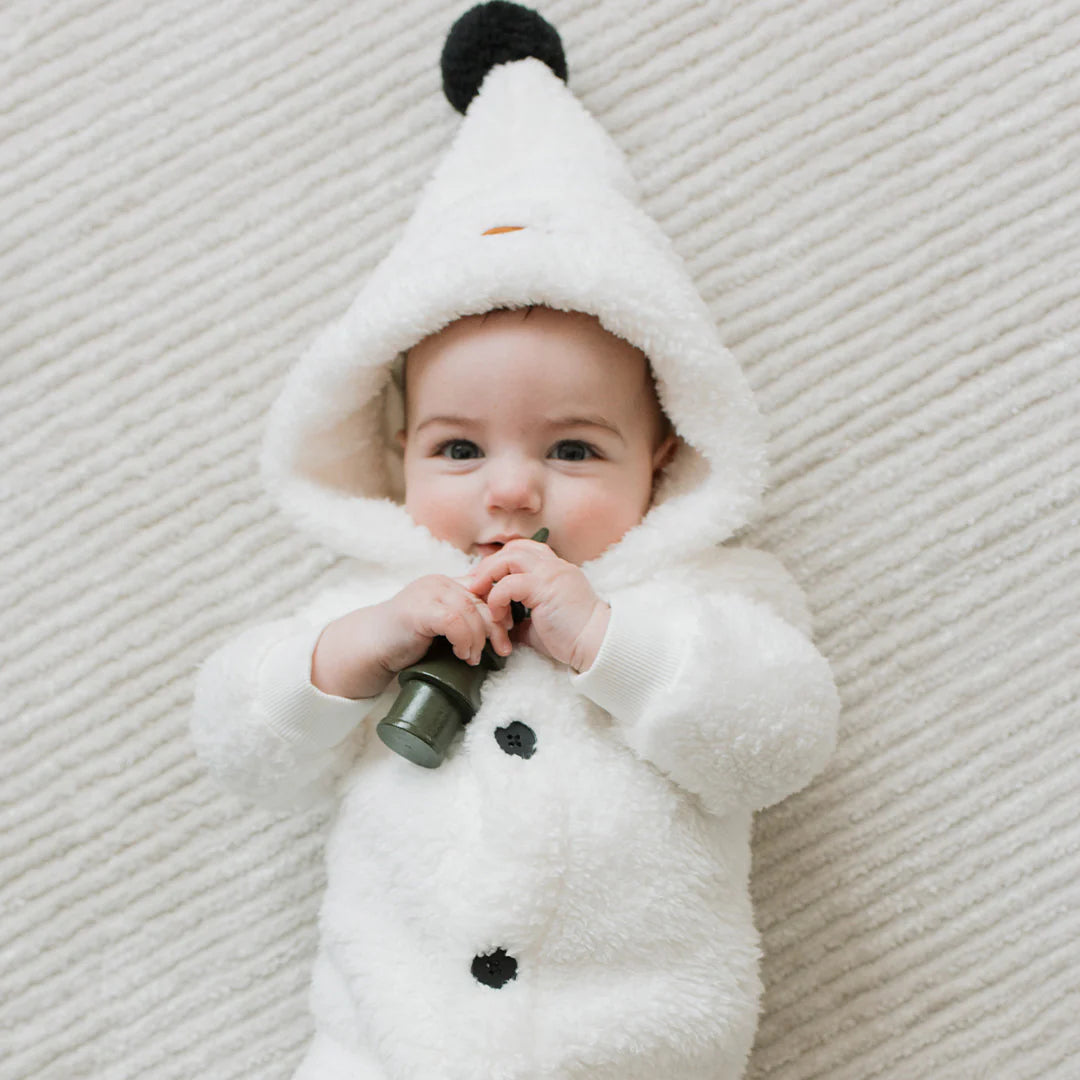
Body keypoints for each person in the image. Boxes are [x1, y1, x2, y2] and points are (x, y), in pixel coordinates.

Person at [191, 5, 840, 1079]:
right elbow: (241, 745)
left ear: (663, 454)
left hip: (637, 1054)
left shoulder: (705, 597)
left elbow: (781, 742)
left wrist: (608, 643)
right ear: (396, 452)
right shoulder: (372, 601)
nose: (509, 490)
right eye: (458, 449)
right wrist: (350, 654)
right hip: (390, 1052)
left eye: (574, 449)